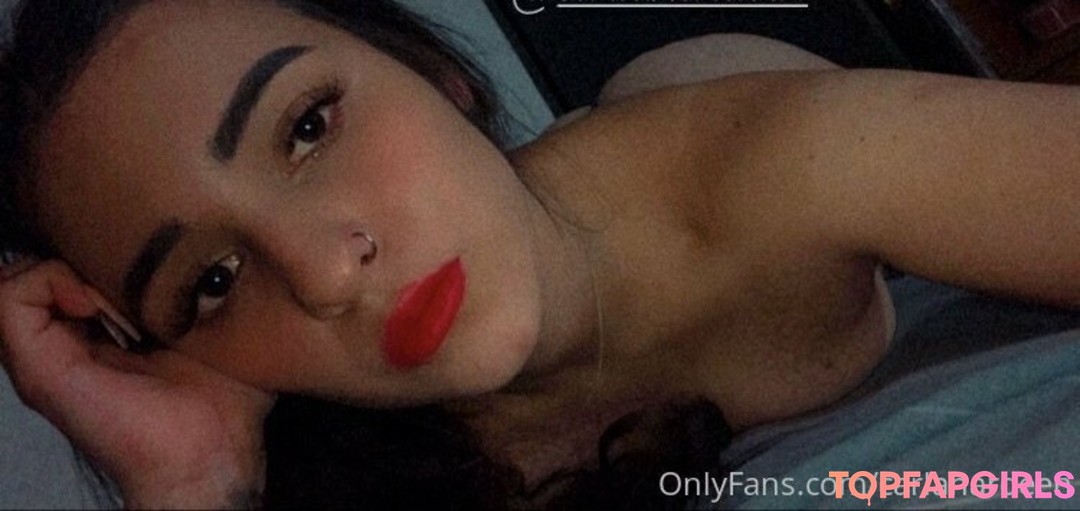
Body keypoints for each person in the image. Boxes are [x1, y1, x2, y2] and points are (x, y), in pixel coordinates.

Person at [0, 0, 1076, 508]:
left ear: (441, 74)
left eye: (310, 126)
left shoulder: (789, 155)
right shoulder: (329, 466)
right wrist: (190, 483)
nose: (325, 275)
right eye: (213, 283)